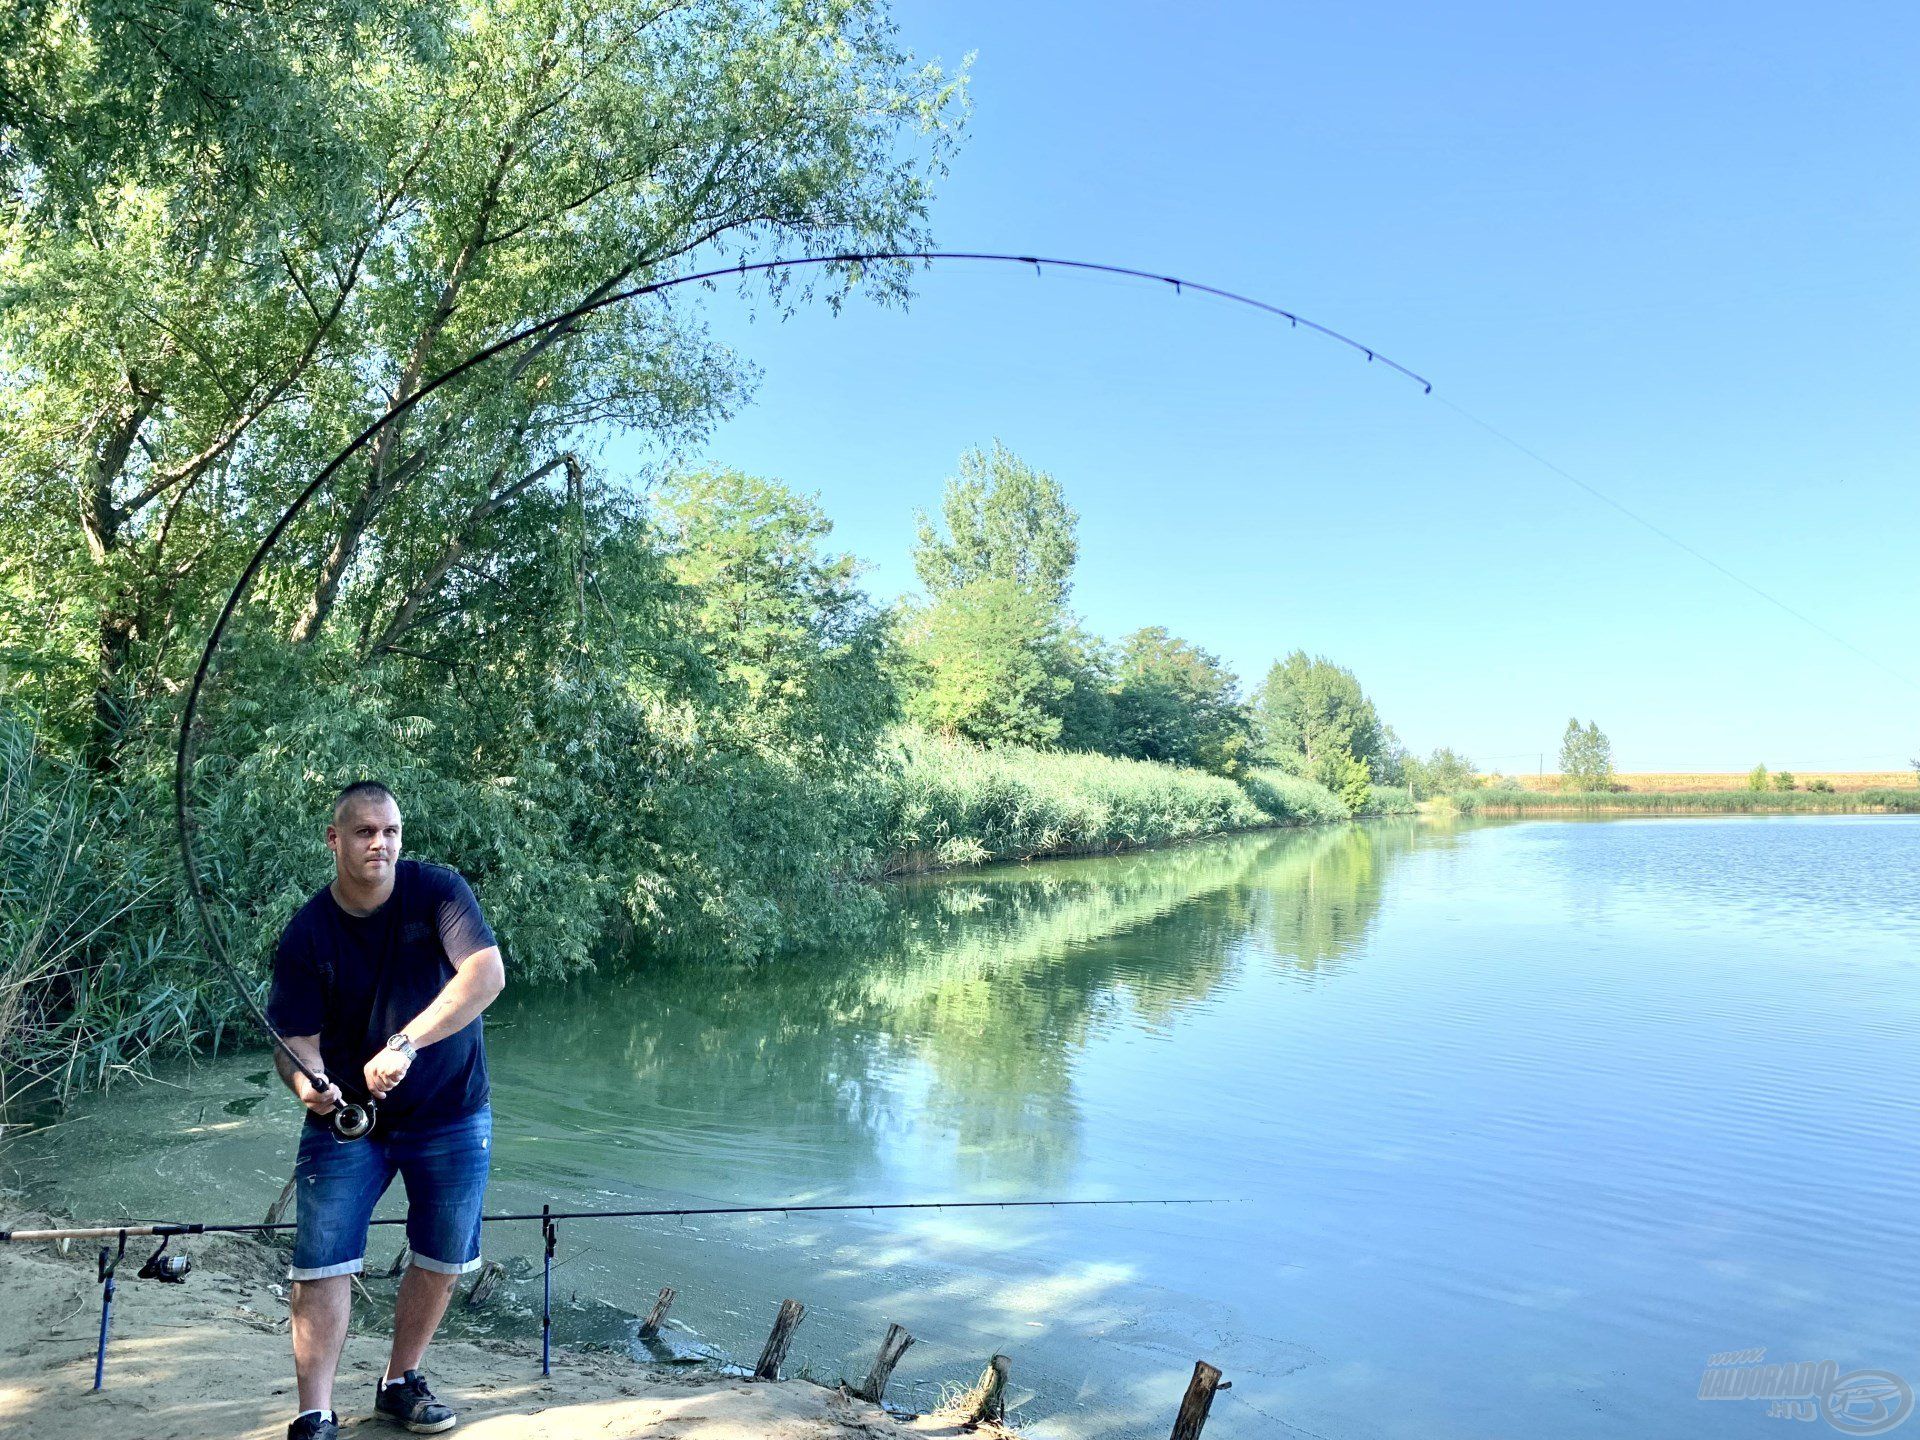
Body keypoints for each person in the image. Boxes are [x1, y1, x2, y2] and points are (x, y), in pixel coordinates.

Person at [266, 781, 507, 1440]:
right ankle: (314, 1412)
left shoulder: (438, 892)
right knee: (323, 1259)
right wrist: (307, 1083)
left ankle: (400, 1382)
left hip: (451, 1111)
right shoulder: (307, 932)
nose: (380, 843)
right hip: (348, 1125)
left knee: (442, 1253)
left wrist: (405, 1043)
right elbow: (295, 1041)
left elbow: (484, 976)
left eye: (391, 832)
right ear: (335, 839)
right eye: (366, 832)